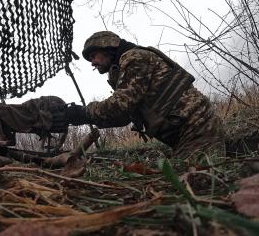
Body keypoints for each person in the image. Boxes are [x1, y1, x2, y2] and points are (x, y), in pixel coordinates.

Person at [63, 31, 225, 162]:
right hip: (190, 132)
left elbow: (120, 105)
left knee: (191, 185)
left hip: (198, 128)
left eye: (94, 56)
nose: (92, 62)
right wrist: (82, 117)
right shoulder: (124, 65)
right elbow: (123, 117)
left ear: (107, 47)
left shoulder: (134, 57)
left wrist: (84, 112)